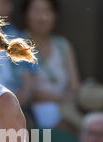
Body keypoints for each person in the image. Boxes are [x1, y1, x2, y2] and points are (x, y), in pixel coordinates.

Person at [22, 0, 81, 129]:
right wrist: (60, 98)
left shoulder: (63, 45)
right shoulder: (18, 44)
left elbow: (75, 84)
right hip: (34, 110)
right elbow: (26, 90)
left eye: (47, 10)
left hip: (66, 106)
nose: (42, 16)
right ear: (26, 14)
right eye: (36, 10)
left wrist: (69, 97)